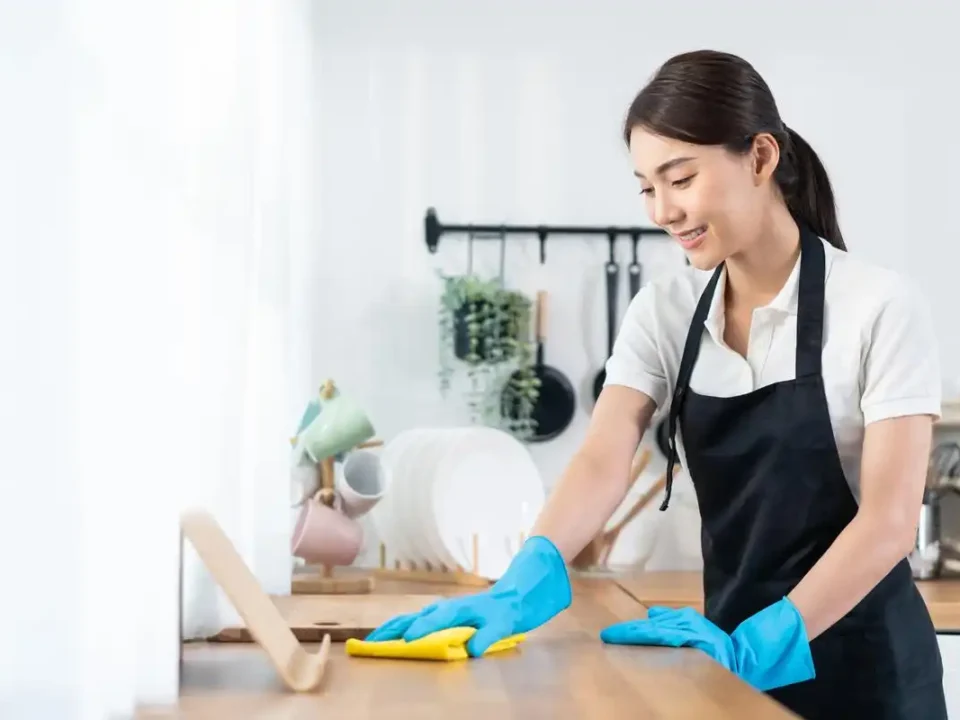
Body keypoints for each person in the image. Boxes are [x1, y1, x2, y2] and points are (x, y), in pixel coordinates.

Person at [367, 49, 946, 718]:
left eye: (680, 179)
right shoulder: (665, 312)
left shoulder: (878, 306)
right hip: (724, 665)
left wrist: (763, 643)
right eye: (646, 187)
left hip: (870, 677)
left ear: (760, 158)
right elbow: (602, 457)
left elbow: (890, 522)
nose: (662, 210)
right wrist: (527, 577)